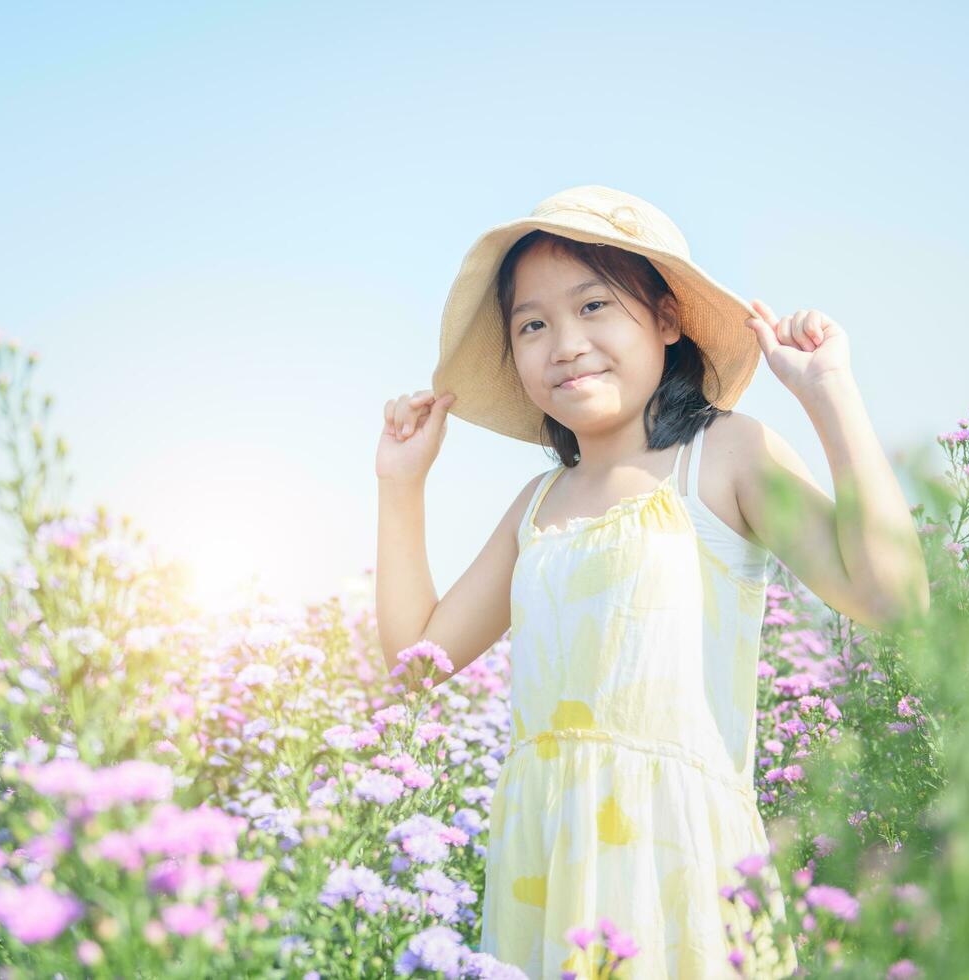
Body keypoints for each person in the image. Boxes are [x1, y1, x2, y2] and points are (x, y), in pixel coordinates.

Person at [375, 185, 930, 978]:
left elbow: (894, 602)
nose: (564, 343)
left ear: (667, 321)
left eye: (594, 305)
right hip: (545, 872)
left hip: (680, 868)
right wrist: (401, 484)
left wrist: (827, 393)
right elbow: (416, 664)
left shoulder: (725, 456)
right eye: (532, 325)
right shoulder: (535, 509)